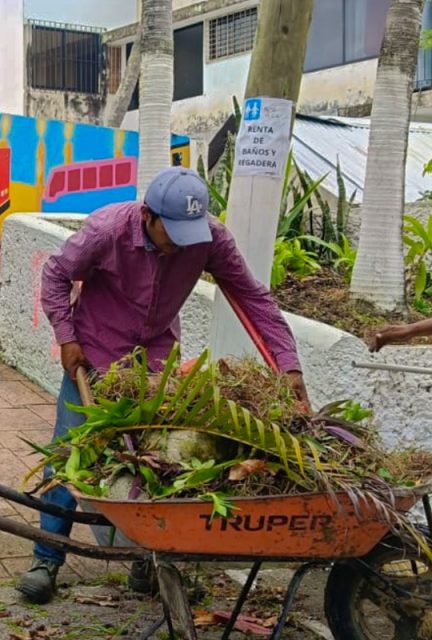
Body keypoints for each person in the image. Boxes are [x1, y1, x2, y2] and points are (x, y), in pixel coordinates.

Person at [18, 166, 309, 605]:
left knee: (155, 459)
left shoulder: (209, 238)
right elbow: (56, 275)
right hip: (94, 355)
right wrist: (67, 337)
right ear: (148, 215)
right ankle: (46, 560)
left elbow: (252, 297)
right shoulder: (107, 230)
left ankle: (145, 563)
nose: (179, 243)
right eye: (170, 231)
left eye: (187, 232)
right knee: (68, 454)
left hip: (155, 364)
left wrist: (289, 366)